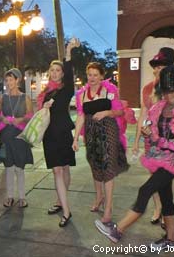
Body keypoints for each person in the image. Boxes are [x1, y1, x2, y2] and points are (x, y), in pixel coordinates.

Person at [95, 65, 174, 250]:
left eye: (173, 91)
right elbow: (154, 129)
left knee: (145, 190)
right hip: (160, 154)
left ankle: (117, 230)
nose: (169, 96)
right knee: (166, 197)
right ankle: (171, 239)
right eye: (166, 92)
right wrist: (147, 132)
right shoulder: (161, 105)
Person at [72, 62, 129, 224]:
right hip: (91, 133)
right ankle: (99, 197)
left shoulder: (110, 90)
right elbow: (81, 116)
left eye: (95, 75)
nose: (92, 78)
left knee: (108, 167)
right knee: (95, 165)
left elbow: (119, 111)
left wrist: (106, 112)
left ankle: (109, 208)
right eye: (89, 74)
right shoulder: (81, 95)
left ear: (102, 76)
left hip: (108, 130)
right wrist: (76, 138)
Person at [132, 47, 174, 226]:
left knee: (164, 178)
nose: (158, 69)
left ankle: (167, 213)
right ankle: (159, 208)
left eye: (162, 66)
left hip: (167, 141)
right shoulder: (148, 88)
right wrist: (136, 141)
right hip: (151, 140)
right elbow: (142, 115)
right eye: (156, 66)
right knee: (154, 175)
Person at [37, 39, 79, 227]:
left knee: (65, 168)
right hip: (49, 136)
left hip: (63, 133)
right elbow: (40, 116)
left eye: (58, 70)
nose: (54, 73)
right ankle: (66, 210)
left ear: (62, 74)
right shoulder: (44, 94)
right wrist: (44, 107)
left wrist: (68, 52)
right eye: (52, 70)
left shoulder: (66, 89)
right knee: (57, 171)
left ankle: (60, 201)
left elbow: (70, 73)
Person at [0, 68, 33, 208]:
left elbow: (31, 116)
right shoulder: (3, 97)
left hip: (20, 137)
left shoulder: (25, 97)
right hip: (6, 136)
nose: (8, 83)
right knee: (8, 168)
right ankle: (9, 197)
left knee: (19, 168)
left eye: (11, 80)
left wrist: (20, 119)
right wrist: (2, 118)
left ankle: (22, 197)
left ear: (18, 80)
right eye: (7, 80)